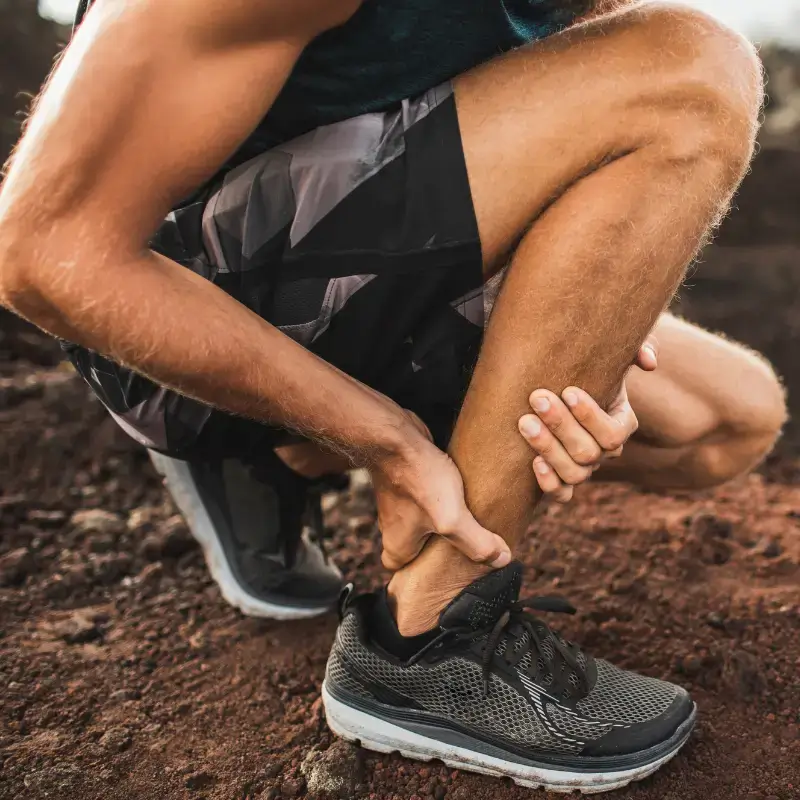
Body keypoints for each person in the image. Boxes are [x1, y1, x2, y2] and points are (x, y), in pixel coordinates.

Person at [0, 0, 783, 791]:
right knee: (688, 71)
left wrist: (602, 329)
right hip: (153, 326)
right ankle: (428, 636)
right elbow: (43, 253)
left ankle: (280, 456)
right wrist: (385, 441)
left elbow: (527, 130)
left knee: (729, 416)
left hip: (349, 252)